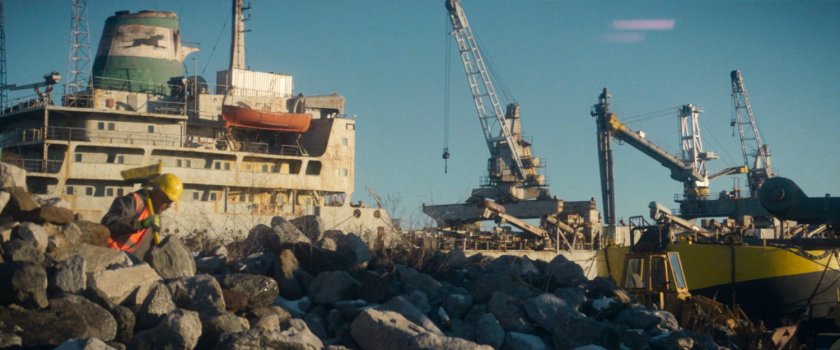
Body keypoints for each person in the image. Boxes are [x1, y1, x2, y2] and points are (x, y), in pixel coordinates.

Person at [102, 173, 183, 259]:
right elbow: (108, 222)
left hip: (132, 266)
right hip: (109, 256)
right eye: (165, 199)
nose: (167, 205)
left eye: (170, 202)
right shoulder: (133, 202)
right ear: (155, 191)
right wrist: (140, 224)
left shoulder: (155, 218)